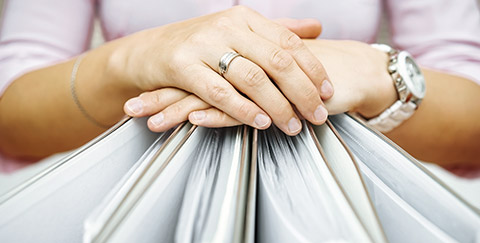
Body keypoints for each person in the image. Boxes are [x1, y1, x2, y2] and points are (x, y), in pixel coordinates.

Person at [0, 0, 479, 176]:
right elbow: (10, 110)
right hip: (130, 202)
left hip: (348, 207)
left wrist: (377, 74)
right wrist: (128, 61)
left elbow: (470, 107)